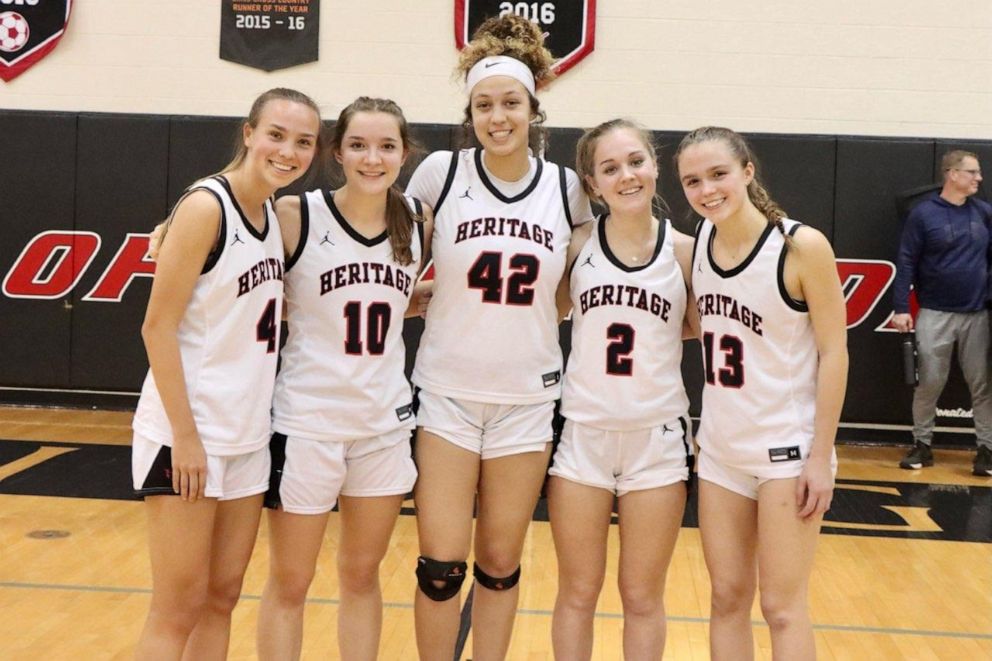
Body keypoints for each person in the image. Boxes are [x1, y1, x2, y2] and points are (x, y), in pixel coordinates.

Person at [404, 14, 593, 660]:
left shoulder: (568, 189)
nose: (497, 116)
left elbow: (580, 285)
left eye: (510, 102)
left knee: (500, 561)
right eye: (484, 105)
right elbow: (383, 260)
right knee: (440, 564)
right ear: (471, 112)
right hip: (448, 394)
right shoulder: (440, 176)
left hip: (527, 396)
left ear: (533, 107)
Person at [131, 88, 322, 660]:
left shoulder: (269, 216)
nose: (288, 151)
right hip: (188, 435)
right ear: (248, 133)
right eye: (277, 134)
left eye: (304, 142)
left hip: (245, 436)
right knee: (177, 607)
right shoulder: (206, 207)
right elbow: (155, 328)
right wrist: (186, 438)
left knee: (222, 597)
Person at [255, 96, 432, 661]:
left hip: (382, 426)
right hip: (308, 424)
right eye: (358, 145)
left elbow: (381, 302)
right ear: (337, 152)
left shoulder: (418, 221)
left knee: (362, 576)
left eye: (386, 146)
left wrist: (417, 299)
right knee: (291, 582)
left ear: (404, 154)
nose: (372, 158)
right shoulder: (295, 215)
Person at [676, 126, 848, 660]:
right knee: (726, 597)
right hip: (722, 452)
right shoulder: (700, 243)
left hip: (786, 455)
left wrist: (820, 457)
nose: (707, 190)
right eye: (693, 181)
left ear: (748, 172)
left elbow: (835, 353)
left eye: (719, 174)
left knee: (781, 605)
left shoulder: (801, 246)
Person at [547, 119, 697, 660]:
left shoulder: (685, 252)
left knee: (641, 596)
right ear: (592, 184)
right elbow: (547, 313)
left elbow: (700, 326)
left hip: (655, 439)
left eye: (636, 161)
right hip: (583, 434)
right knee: (578, 592)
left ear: (655, 165)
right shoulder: (577, 246)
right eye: (609, 168)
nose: (626, 175)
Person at [892, 150, 992, 476]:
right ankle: (922, 445)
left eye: (978, 172)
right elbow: (905, 262)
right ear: (952, 174)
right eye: (972, 172)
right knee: (929, 384)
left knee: (982, 384)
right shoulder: (923, 215)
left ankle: (986, 451)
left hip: (977, 315)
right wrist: (901, 307)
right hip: (934, 314)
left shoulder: (984, 213)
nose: (978, 178)